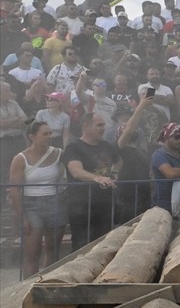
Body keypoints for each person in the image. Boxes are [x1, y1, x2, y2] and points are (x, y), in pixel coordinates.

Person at [8, 120, 67, 277]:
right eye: (45, 134)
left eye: (50, 133)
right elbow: (14, 190)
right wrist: (22, 217)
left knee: (53, 251)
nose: (49, 137)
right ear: (32, 137)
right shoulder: (20, 159)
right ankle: (28, 290)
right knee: (32, 254)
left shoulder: (58, 153)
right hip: (32, 205)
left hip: (55, 202)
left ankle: (49, 285)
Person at [64, 111, 122, 248]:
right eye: (99, 125)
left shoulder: (106, 146)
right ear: (86, 126)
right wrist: (98, 178)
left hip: (105, 204)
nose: (103, 128)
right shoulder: (74, 147)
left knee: (103, 245)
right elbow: (76, 171)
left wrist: (114, 173)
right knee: (81, 246)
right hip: (82, 206)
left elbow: (119, 161)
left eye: (104, 125)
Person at [150, 123, 180, 215]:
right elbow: (170, 173)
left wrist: (178, 173)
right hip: (163, 204)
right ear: (167, 138)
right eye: (177, 137)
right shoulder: (158, 155)